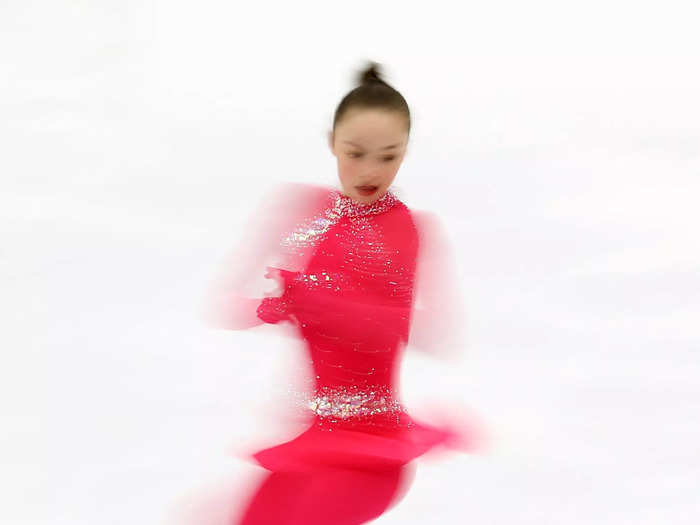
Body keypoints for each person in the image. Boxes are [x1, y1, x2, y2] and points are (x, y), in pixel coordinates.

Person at [207, 61, 484, 525]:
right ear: (332, 142)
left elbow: (430, 335)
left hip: (373, 453)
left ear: (405, 152)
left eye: (389, 155)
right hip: (313, 444)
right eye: (356, 153)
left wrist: (325, 303)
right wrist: (270, 307)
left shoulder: (410, 230)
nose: (371, 170)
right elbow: (224, 306)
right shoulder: (303, 210)